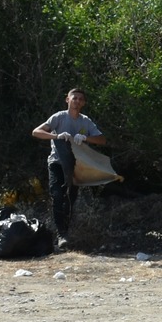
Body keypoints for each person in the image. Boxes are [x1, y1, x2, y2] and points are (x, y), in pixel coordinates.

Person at [32, 88, 107, 250]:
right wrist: (56, 136)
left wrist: (86, 137)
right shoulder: (59, 117)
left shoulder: (85, 121)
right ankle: (61, 235)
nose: (77, 101)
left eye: (80, 99)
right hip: (57, 163)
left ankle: (65, 233)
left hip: (76, 166)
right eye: (74, 98)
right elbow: (36, 132)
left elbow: (102, 140)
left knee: (70, 200)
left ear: (84, 103)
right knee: (58, 195)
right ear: (67, 100)